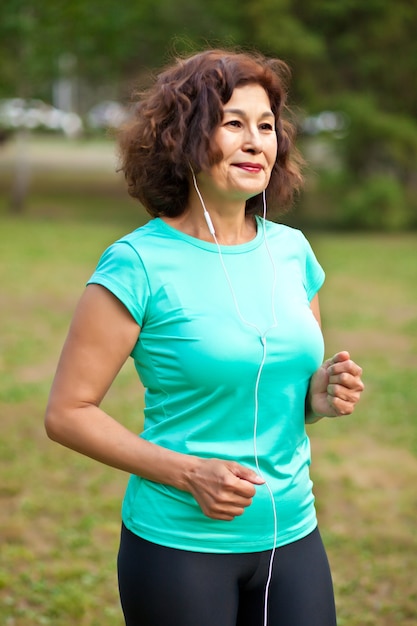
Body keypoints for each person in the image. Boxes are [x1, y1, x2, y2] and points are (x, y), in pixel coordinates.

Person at [45, 49, 364, 626]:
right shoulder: (137, 263)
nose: (255, 141)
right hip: (179, 546)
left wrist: (314, 398)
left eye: (266, 125)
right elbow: (68, 412)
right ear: (186, 139)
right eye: (233, 123)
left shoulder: (293, 252)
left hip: (290, 533)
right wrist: (190, 473)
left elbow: (273, 386)